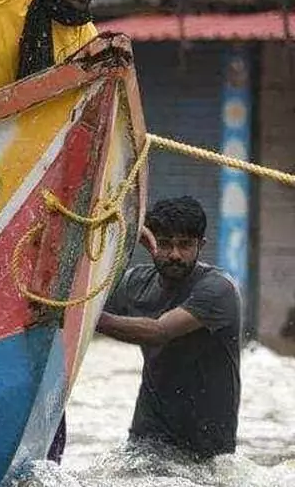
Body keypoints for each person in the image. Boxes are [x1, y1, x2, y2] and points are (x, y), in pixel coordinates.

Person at [97, 196, 241, 460]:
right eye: (164, 244)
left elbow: (159, 332)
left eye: (185, 245)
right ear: (151, 243)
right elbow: (90, 291)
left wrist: (89, 315)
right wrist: (122, 236)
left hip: (205, 450)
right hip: (146, 437)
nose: (175, 254)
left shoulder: (218, 290)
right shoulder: (135, 283)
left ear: (201, 246)